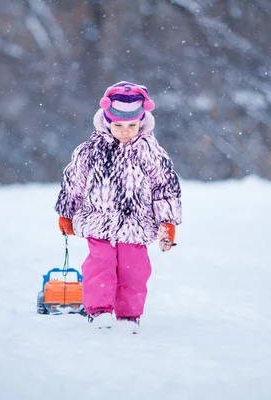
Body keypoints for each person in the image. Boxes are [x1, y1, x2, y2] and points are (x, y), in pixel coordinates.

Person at [54, 81, 182, 333]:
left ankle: (129, 316)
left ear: (142, 122)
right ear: (107, 121)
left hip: (136, 224)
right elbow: (73, 182)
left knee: (133, 271)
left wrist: (167, 222)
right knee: (99, 266)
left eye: (132, 126)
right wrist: (66, 212)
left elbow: (165, 188)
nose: (125, 132)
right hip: (98, 221)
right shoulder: (91, 150)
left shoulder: (152, 152)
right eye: (119, 126)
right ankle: (99, 311)